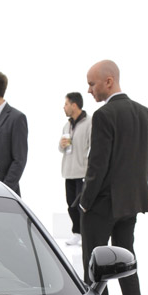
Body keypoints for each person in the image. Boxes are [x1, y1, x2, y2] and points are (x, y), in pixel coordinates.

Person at [79, 60, 148, 295]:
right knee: (127, 264)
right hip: (130, 203)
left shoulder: (104, 115)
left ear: (108, 81)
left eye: (92, 83)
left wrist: (84, 201)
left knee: (94, 268)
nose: (89, 90)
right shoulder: (145, 113)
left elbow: (97, 166)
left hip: (102, 204)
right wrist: (133, 190)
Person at [59, 92, 91, 246]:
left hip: (82, 172)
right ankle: (76, 233)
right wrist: (61, 145)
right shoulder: (67, 124)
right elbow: (61, 148)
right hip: (68, 171)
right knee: (70, 204)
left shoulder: (89, 123)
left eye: (66, 104)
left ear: (74, 105)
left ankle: (85, 233)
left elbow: (93, 147)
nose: (64, 107)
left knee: (81, 206)